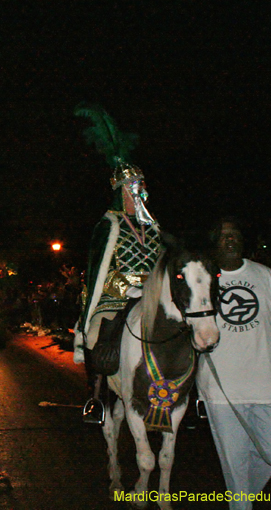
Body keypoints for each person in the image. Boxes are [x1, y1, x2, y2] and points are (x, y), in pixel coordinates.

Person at [196, 218, 271, 510]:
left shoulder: (266, 276)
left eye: (235, 234)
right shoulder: (202, 279)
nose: (230, 239)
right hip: (222, 390)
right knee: (235, 465)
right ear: (213, 242)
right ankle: (240, 504)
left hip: (269, 385)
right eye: (223, 236)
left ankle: (241, 500)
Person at [72, 105, 163, 423]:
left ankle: (197, 393)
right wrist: (125, 287)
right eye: (131, 188)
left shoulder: (153, 227)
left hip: (151, 293)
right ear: (120, 192)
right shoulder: (108, 225)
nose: (138, 192)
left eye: (140, 186)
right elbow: (99, 268)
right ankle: (96, 398)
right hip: (116, 295)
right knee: (100, 334)